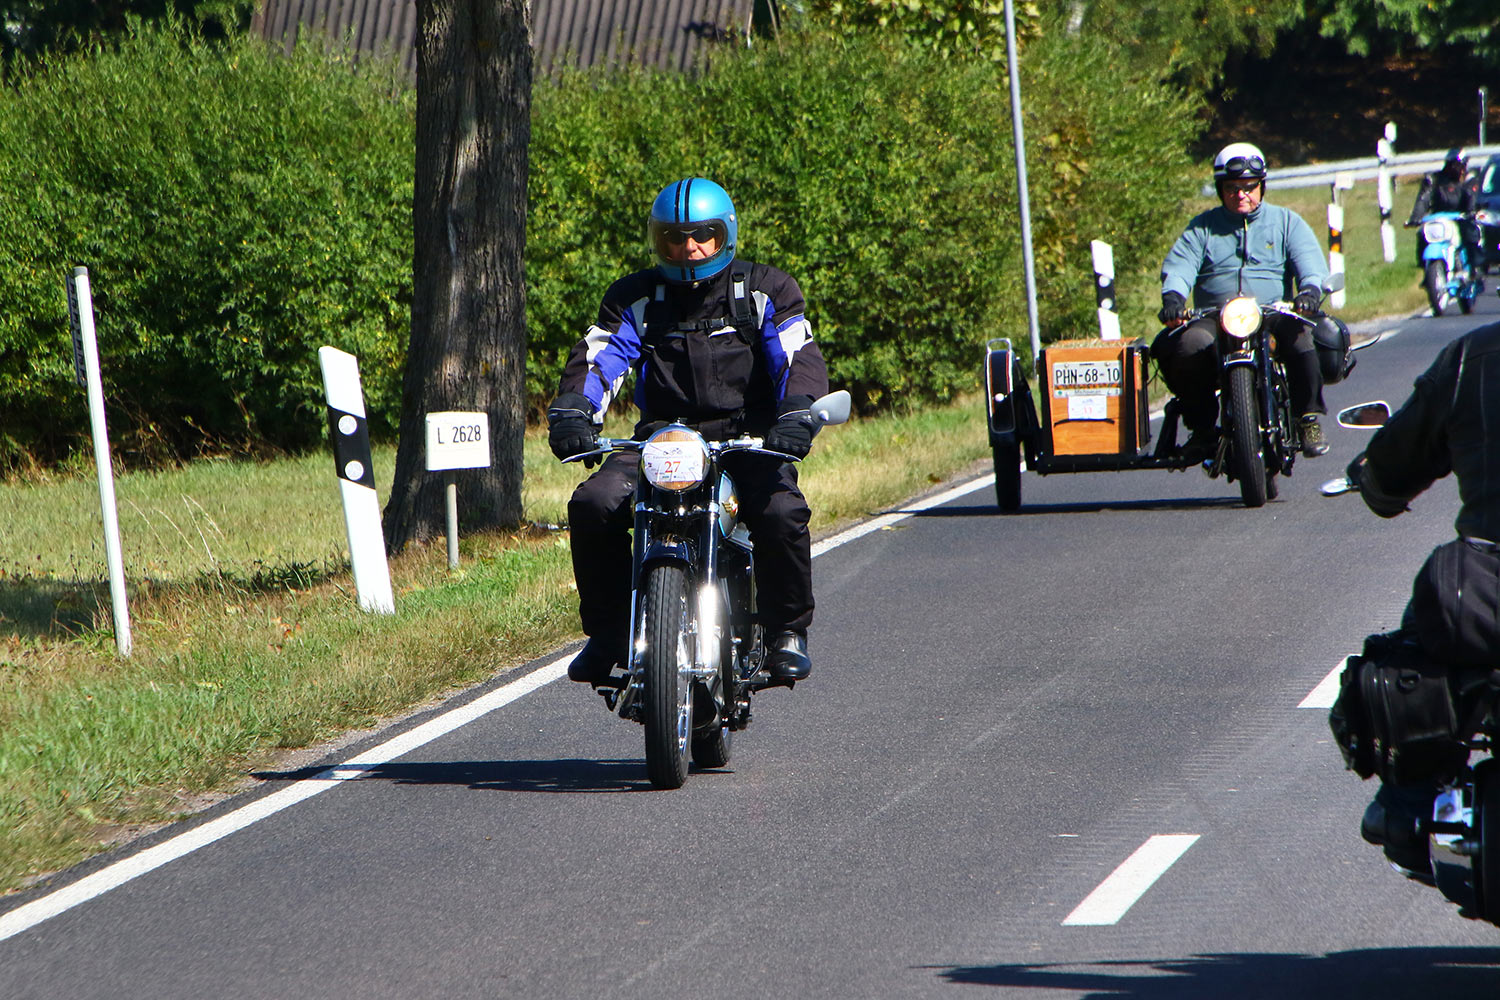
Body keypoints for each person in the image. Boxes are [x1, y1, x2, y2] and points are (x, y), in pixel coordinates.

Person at [547, 177, 829, 687]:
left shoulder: (766, 291)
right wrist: (573, 410)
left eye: (702, 234)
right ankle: (609, 635)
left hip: (747, 439)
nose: (689, 247)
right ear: (658, 241)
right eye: (674, 238)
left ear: (725, 235)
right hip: (664, 439)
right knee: (594, 504)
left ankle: (787, 631)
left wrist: (797, 414)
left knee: (783, 511)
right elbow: (602, 357)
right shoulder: (635, 297)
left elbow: (795, 356)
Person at [1345, 319, 1500, 878]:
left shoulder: (1472, 358)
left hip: (1486, 587)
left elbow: (1396, 462)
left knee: (1425, 619)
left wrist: (1374, 480)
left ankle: (1411, 801)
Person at [1155, 141, 1332, 460]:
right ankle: (1202, 429)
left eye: (1249, 187)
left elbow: (1310, 264)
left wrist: (1309, 293)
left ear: (1262, 187)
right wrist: (1173, 298)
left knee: (1302, 338)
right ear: (1220, 189)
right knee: (1189, 345)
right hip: (1215, 316)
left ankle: (1308, 419)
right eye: (1232, 188)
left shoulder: (1286, 222)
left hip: (1273, 312)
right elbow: (1179, 268)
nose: (1241, 194)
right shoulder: (1201, 228)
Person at [1405, 147, 1480, 270]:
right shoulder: (1434, 180)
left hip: (1461, 219)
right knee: (1423, 233)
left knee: (1471, 234)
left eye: (1459, 165)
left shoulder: (1469, 181)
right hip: (1438, 219)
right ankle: (1426, 268)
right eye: (1452, 165)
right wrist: (1415, 218)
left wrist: (1471, 213)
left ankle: (1473, 269)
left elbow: (1472, 199)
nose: (1456, 169)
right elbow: (1423, 200)